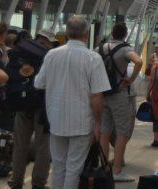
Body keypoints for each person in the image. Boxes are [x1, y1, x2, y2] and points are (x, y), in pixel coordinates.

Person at [34, 15, 111, 189]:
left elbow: (39, 83)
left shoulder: (51, 55)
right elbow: (97, 96)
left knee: (58, 166)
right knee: (74, 168)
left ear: (67, 32)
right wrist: (97, 123)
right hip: (81, 123)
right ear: (86, 33)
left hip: (56, 120)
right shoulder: (93, 58)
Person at [8, 29, 57, 189]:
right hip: (42, 105)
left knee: (20, 145)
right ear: (48, 40)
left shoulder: (20, 49)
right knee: (43, 146)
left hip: (21, 104)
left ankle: (16, 182)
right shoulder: (49, 55)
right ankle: (38, 183)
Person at [98, 23, 143, 182]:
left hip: (103, 94)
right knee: (122, 132)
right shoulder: (125, 49)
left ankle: (104, 168)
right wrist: (130, 80)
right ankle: (116, 170)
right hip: (119, 94)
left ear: (112, 33)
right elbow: (138, 62)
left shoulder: (101, 48)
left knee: (104, 131)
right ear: (125, 35)